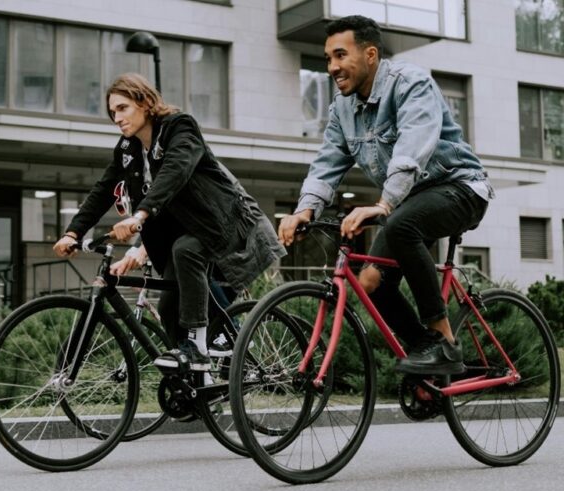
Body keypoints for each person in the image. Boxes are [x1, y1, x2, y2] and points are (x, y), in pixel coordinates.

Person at [278, 15, 493, 375]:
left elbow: (411, 150)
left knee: (400, 224)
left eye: (341, 55)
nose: (332, 67)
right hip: (409, 202)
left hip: (460, 187)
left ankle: (444, 343)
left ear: (371, 55)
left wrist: (383, 204)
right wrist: (305, 211)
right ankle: (426, 353)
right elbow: (327, 163)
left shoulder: (410, 83)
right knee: (370, 282)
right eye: (328, 58)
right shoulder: (342, 108)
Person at [54, 73, 285, 372]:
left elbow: (175, 171)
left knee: (186, 251)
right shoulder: (128, 148)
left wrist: (140, 215)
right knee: (168, 306)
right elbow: (103, 190)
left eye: (123, 108)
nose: (117, 118)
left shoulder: (180, 127)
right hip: (182, 235)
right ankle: (194, 384)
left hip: (221, 222)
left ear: (145, 102)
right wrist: (73, 233)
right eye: (112, 112)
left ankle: (198, 348)